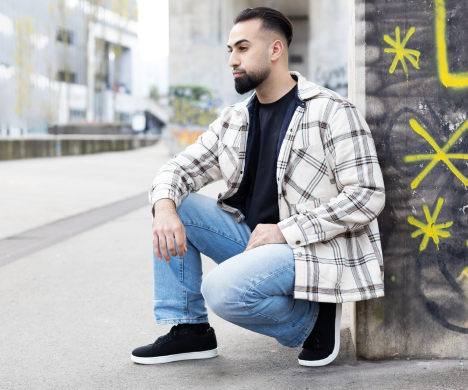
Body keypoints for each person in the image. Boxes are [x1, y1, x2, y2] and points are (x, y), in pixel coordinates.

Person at [131, 7, 385, 367]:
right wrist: (164, 208)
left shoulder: (331, 111)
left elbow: (367, 195)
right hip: (255, 241)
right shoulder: (235, 119)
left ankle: (312, 321)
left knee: (220, 290)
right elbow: (178, 169)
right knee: (176, 206)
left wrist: (286, 230)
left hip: (311, 247)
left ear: (275, 50)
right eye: (230, 50)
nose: (232, 59)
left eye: (243, 48)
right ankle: (190, 330)